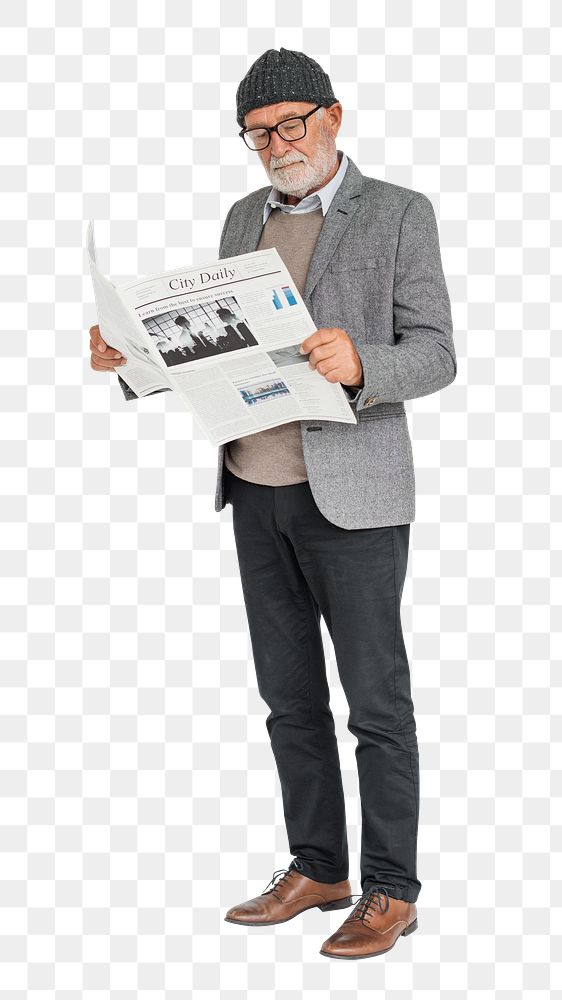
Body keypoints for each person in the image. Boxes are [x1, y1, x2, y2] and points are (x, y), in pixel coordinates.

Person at [88, 46, 456, 960]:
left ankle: (390, 890)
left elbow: (440, 352)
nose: (274, 145)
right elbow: (218, 351)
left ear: (333, 117)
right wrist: (132, 365)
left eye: (290, 124)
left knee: (376, 702)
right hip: (256, 487)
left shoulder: (400, 213)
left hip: (356, 495)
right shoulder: (242, 217)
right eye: (257, 133)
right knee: (288, 699)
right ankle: (319, 865)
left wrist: (366, 366)